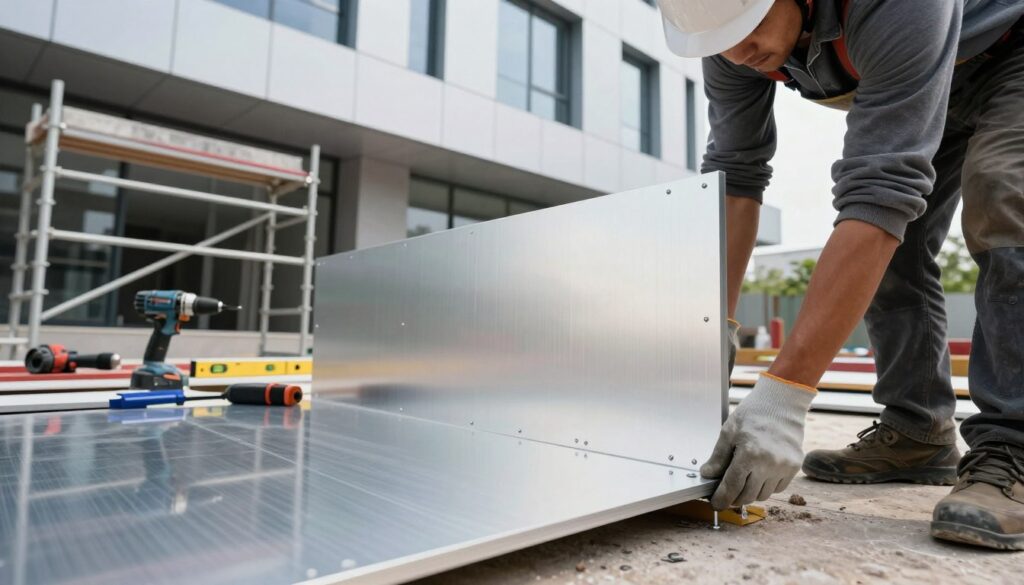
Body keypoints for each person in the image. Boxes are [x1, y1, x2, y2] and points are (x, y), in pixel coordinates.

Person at [657, 0, 1024, 550]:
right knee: (894, 250)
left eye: (748, 27)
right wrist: (713, 328)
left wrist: (785, 394)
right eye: (720, 41)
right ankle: (917, 429)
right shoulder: (725, 38)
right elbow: (735, 178)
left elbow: (880, 190)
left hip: (1009, 52)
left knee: (1003, 197)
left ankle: (1013, 450)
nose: (739, 51)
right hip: (924, 76)